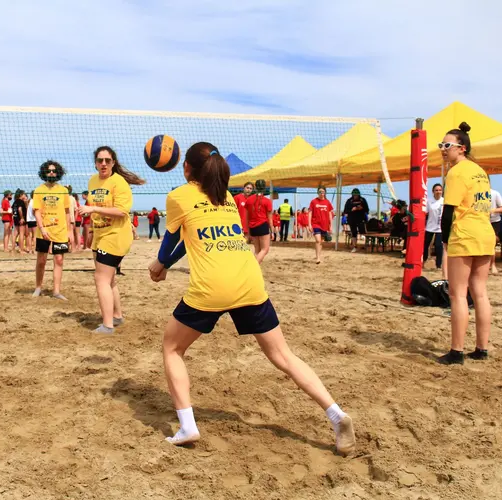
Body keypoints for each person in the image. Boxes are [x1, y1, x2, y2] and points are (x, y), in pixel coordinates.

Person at [146, 142, 356, 455]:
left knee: (172, 348)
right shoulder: (226, 196)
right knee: (283, 355)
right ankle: (336, 414)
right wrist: (166, 264)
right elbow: (190, 239)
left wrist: (159, 265)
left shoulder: (179, 196)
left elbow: (170, 243)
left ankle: (188, 425)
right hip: (248, 280)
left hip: (213, 286)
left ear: (185, 168)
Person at [438, 122, 494, 365]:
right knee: (479, 292)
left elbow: (448, 212)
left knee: (457, 294)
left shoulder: (456, 171)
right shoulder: (480, 170)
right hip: (484, 232)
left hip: (465, 233)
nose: (442, 149)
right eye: (441, 145)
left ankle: (456, 352)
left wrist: (443, 239)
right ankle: (482, 349)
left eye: (447, 145)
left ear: (461, 148)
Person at [79, 146, 145, 334]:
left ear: (113, 163)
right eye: (100, 160)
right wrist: (91, 225)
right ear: (95, 163)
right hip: (100, 235)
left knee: (100, 278)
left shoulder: (119, 182)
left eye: (107, 160)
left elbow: (121, 211)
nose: (103, 164)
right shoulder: (92, 181)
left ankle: (107, 325)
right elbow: (96, 208)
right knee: (109, 279)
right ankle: (116, 316)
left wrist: (93, 210)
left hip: (116, 236)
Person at [32, 161, 71, 300]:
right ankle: (38, 287)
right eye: (48, 171)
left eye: (54, 171)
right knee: (41, 260)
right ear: (44, 173)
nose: (51, 173)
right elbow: (37, 211)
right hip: (44, 230)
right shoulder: (39, 190)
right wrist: (42, 228)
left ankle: (56, 291)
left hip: (60, 230)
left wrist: (69, 230)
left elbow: (67, 211)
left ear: (58, 172)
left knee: (59, 260)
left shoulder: (63, 190)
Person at [245, 179, 273, 264]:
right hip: (263, 226)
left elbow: (247, 217)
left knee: (257, 250)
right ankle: (254, 267)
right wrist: (273, 231)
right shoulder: (267, 201)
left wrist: (248, 231)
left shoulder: (249, 200)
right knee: (265, 250)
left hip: (253, 227)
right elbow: (269, 219)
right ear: (264, 188)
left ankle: (254, 269)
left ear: (255, 188)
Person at [309, 187, 334, 264]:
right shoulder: (313, 201)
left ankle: (318, 256)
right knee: (318, 240)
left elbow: (330, 214)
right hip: (316, 224)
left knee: (321, 242)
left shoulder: (327, 202)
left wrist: (331, 225)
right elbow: (310, 213)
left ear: (325, 192)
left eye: (323, 191)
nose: (321, 193)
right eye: (320, 191)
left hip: (325, 225)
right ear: (317, 192)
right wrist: (309, 224)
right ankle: (318, 258)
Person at [424, 184, 445, 274]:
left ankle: (439, 265)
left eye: (440, 190)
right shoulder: (429, 201)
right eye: (436, 190)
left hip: (440, 228)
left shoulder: (444, 201)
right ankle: (424, 261)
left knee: (438, 246)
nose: (438, 192)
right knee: (425, 245)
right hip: (429, 227)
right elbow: (425, 213)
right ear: (433, 191)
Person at [343, 189, 369, 253]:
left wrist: (362, 208)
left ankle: (365, 246)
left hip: (361, 219)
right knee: (354, 233)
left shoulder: (362, 200)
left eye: (357, 195)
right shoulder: (349, 201)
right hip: (352, 219)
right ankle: (355, 247)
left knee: (363, 232)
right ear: (352, 194)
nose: (355, 196)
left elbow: (367, 210)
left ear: (359, 194)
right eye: (354, 195)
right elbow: (345, 211)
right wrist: (352, 210)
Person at [489, 187, 502, 275]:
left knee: (492, 243)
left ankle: (493, 264)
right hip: (480, 221)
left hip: (494, 221)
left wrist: (492, 211)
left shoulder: (495, 193)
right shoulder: (476, 193)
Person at [12, 189, 27, 254]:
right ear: (21, 195)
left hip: (15, 218)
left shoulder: (15, 202)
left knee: (15, 234)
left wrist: (15, 216)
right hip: (20, 219)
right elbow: (20, 209)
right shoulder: (21, 201)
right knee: (21, 234)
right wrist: (22, 218)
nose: (24, 195)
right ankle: (21, 250)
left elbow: (12, 210)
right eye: (24, 194)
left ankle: (13, 249)